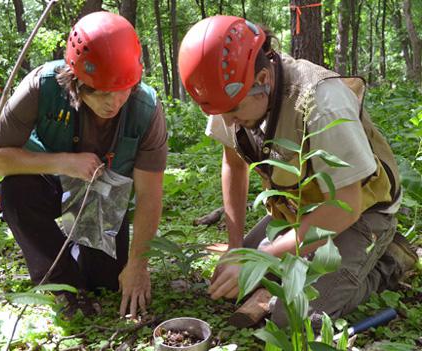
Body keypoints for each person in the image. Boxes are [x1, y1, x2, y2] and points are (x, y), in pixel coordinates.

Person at [178, 15, 417, 327]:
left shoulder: (321, 101)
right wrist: (237, 249)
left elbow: (347, 205)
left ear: (263, 78)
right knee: (235, 284)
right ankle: (299, 260)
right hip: (299, 207)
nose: (228, 120)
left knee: (296, 318)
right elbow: (233, 164)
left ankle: (390, 260)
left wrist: (266, 255)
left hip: (361, 212)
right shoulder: (228, 96)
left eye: (234, 110)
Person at [0, 11, 167, 318]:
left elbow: (149, 195)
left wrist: (138, 265)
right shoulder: (42, 86)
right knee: (16, 189)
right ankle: (61, 286)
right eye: (101, 92)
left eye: (123, 89)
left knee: (107, 281)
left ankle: (80, 256)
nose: (113, 102)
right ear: (75, 81)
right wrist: (63, 162)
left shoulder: (145, 108)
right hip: (47, 182)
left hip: (102, 197)